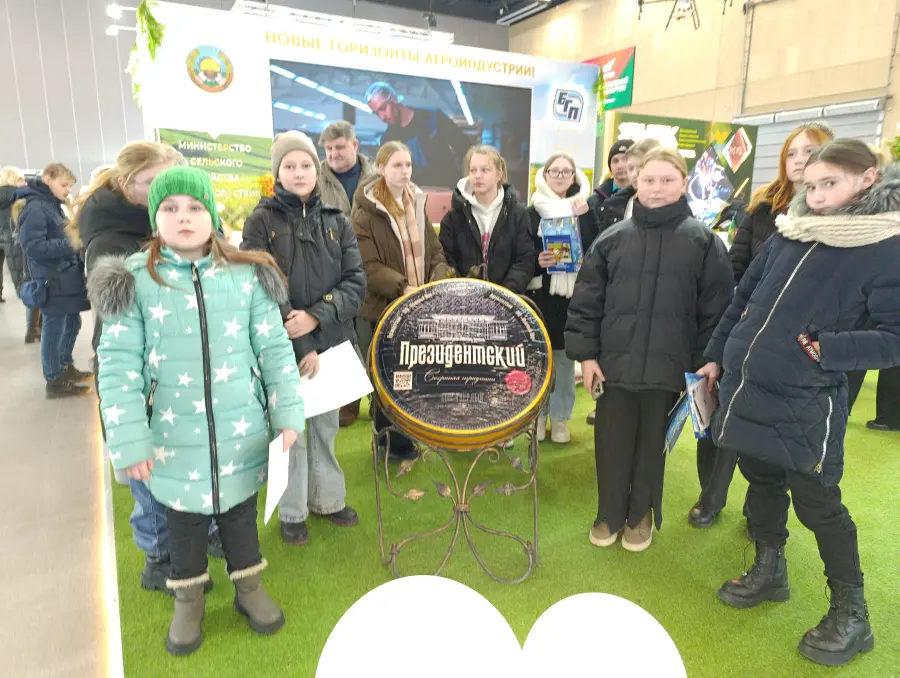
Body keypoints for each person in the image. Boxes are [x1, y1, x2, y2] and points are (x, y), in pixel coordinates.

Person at [88, 166, 306, 656]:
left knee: (239, 516)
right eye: (169, 208)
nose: (182, 217)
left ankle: (249, 588)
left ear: (212, 215)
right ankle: (188, 600)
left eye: (194, 207)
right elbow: (117, 367)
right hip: (172, 440)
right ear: (154, 216)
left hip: (240, 433)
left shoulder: (247, 275)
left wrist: (287, 413)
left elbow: (274, 349)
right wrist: (129, 440)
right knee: (183, 524)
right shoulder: (133, 280)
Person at [699, 139, 900, 667]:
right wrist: (716, 355)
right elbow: (743, 298)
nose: (817, 196)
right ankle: (770, 570)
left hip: (808, 397)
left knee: (818, 502)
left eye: (830, 183)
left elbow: (894, 336)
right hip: (750, 385)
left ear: (868, 179)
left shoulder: (885, 244)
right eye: (811, 186)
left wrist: (825, 350)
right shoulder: (791, 231)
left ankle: (852, 614)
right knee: (760, 479)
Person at [72, 141, 226, 591]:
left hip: (185, 368)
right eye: (156, 183)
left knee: (191, 460)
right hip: (143, 377)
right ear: (127, 184)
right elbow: (118, 334)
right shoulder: (111, 242)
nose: (172, 197)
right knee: (149, 476)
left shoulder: (164, 223)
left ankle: (205, 533)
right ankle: (159, 557)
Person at [566, 147, 732, 552]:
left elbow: (717, 310)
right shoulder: (612, 239)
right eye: (649, 180)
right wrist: (587, 355)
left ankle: (640, 514)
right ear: (636, 182)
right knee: (612, 443)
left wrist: (710, 360)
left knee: (650, 447)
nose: (657, 188)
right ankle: (609, 514)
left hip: (668, 368)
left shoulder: (705, 243)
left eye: (667, 180)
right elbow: (586, 302)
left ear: (684, 183)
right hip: (614, 366)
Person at [242, 131, 365, 546]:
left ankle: (328, 500)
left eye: (306, 165)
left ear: (318, 169)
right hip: (282, 347)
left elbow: (355, 282)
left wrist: (316, 318)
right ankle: (292, 511)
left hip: (330, 341)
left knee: (326, 428)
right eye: (290, 165)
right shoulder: (261, 221)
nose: (299, 172)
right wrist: (301, 343)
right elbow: (260, 284)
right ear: (277, 171)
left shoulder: (337, 220)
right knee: (289, 433)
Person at [351, 141, 451, 462]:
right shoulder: (364, 212)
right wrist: (404, 288)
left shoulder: (415, 202)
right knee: (387, 377)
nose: (404, 171)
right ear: (381, 168)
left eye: (408, 164)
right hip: (384, 308)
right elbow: (368, 266)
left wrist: (435, 280)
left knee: (412, 377)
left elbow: (434, 250)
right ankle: (389, 445)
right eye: (397, 165)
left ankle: (406, 439)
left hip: (418, 307)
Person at [526, 151, 599, 444]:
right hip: (540, 295)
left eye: (566, 171)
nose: (559, 176)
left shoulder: (584, 209)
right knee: (538, 361)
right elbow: (521, 251)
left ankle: (560, 418)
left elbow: (596, 249)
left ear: (574, 177)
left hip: (571, 298)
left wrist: (585, 218)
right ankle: (538, 417)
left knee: (566, 362)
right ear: (544, 175)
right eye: (554, 171)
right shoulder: (531, 211)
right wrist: (537, 260)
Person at [317, 120, 378, 427]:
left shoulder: (377, 177)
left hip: (372, 268)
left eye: (339, 147)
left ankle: (380, 400)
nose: (333, 154)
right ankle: (348, 401)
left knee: (373, 338)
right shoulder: (315, 178)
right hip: (332, 271)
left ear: (355, 145)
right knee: (341, 338)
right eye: (328, 149)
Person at [17, 163, 92, 398]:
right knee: (54, 328)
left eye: (70, 186)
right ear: (48, 179)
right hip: (52, 279)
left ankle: (65, 366)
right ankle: (54, 379)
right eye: (64, 185)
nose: (68, 190)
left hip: (65, 277)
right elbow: (34, 247)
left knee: (72, 323)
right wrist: (72, 244)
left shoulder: (53, 205)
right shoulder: (36, 208)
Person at [729, 123, 834, 284]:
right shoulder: (764, 206)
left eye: (809, 151)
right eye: (791, 154)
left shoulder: (838, 212)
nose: (799, 160)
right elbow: (735, 265)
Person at [439, 144, 534, 292]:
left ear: (499, 175)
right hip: (463, 299)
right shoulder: (453, 218)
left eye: (485, 170)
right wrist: (463, 293)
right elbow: (447, 261)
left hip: (506, 299)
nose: (478, 175)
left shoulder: (518, 215)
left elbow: (524, 260)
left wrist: (504, 295)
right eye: (473, 170)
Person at [365, 82, 471, 188]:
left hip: (448, 190)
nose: (382, 117)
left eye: (383, 108)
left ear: (393, 98)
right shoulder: (388, 140)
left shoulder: (433, 118)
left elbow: (466, 149)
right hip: (415, 195)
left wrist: (464, 185)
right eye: (377, 113)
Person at [593, 139, 635, 204]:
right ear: (610, 167)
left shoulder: (647, 196)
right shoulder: (596, 199)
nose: (620, 166)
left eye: (625, 159)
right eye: (615, 161)